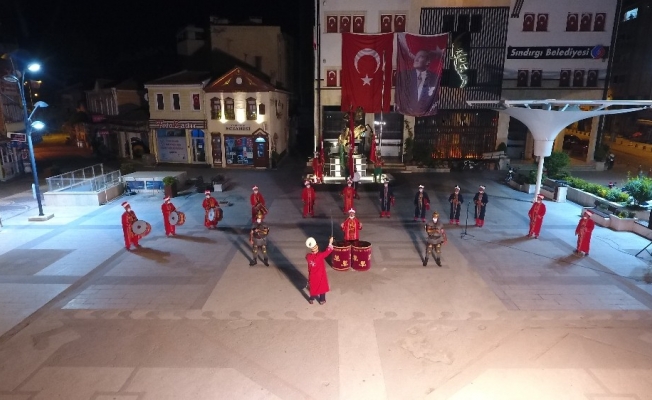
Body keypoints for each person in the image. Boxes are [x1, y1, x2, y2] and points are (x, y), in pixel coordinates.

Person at [396, 49, 441, 117]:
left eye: (421, 57)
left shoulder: (435, 78)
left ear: (427, 62)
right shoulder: (404, 76)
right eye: (416, 56)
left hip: (426, 114)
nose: (416, 59)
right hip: (407, 111)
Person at [305, 236, 334, 305]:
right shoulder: (320, 256)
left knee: (313, 287)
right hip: (320, 275)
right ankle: (322, 300)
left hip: (312, 276)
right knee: (322, 287)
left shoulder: (308, 257)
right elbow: (328, 251)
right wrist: (330, 242)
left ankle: (311, 299)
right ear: (317, 247)